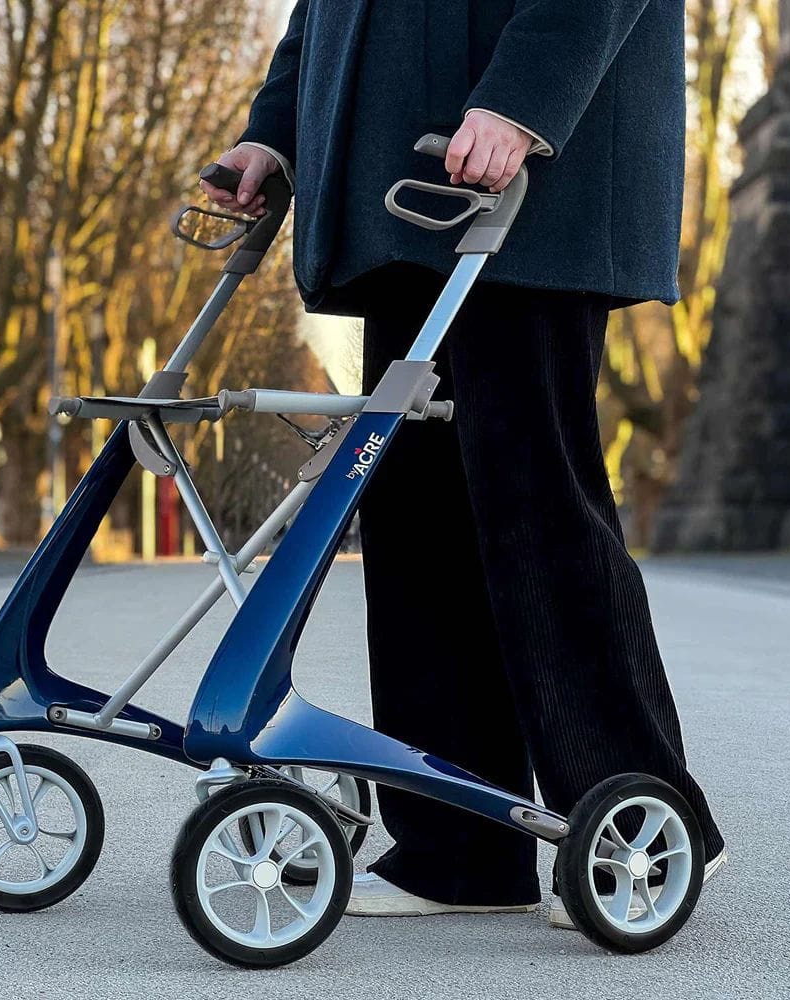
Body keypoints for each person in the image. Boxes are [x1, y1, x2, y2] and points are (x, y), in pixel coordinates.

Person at [202, 0, 726, 926]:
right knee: (416, 521)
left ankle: (640, 822)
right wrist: (275, 136)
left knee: (534, 503)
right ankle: (457, 846)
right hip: (404, 194)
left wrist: (523, 102)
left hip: (521, 187)